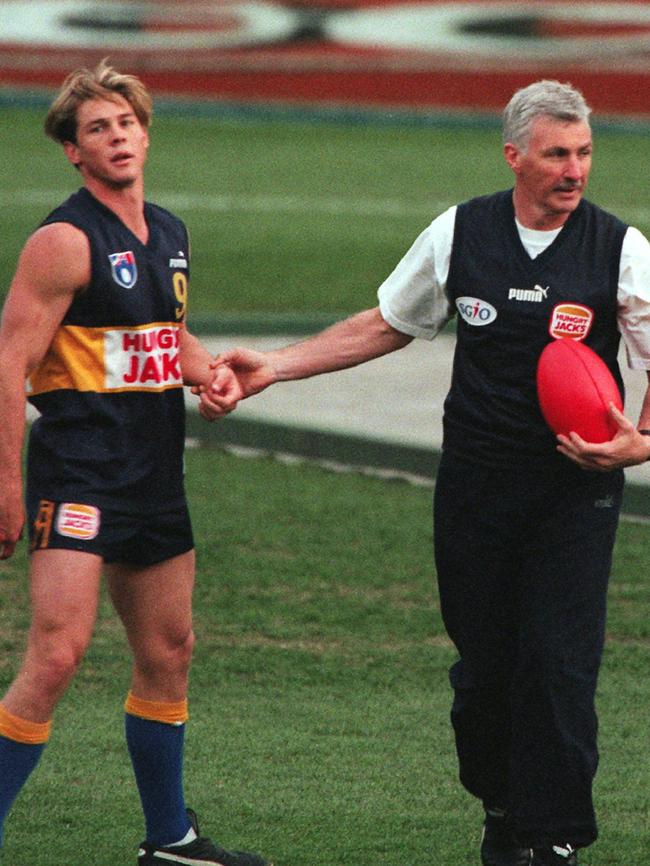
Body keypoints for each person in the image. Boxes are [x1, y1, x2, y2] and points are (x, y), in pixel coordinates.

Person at [203, 80, 650, 866]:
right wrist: (276, 365)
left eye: (583, 152)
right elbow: (388, 323)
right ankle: (504, 803)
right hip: (475, 489)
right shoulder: (460, 232)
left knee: (557, 663)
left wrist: (639, 443)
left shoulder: (622, 249)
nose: (574, 169)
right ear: (514, 155)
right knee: (485, 670)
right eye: (556, 154)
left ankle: (553, 840)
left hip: (573, 494)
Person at [0, 61, 271, 866]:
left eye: (125, 123)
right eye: (97, 129)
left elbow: (163, 337)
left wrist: (209, 370)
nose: (116, 137)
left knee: (169, 652)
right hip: (78, 473)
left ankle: (170, 840)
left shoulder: (172, 231)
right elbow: (10, 362)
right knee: (56, 655)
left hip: (154, 475)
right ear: (73, 153)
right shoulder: (63, 240)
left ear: (145, 133)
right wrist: (6, 485)